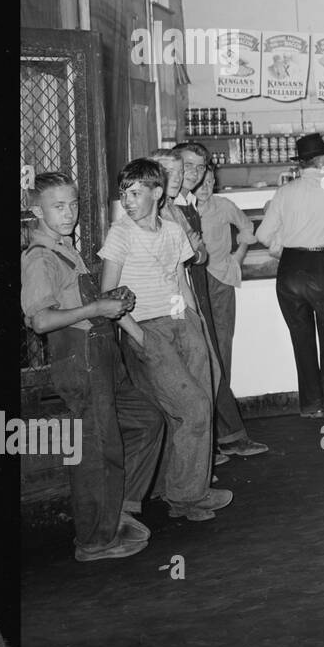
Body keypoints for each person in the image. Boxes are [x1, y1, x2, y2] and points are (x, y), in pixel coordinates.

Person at [20, 173, 160, 561]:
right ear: (36, 211)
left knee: (147, 420)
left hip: (101, 354)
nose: (70, 214)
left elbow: (78, 301)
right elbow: (41, 321)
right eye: (58, 207)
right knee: (95, 449)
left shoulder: (66, 247)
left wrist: (111, 298)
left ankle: (121, 510)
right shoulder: (39, 258)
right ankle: (95, 540)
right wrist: (98, 307)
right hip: (79, 357)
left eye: (73, 204)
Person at [99, 159, 231, 522]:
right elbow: (108, 296)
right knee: (193, 409)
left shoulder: (172, 230)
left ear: (157, 193)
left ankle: (189, 490)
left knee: (200, 402)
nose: (127, 200)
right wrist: (140, 335)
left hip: (181, 322)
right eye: (124, 193)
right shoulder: (120, 233)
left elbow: (180, 280)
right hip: (147, 328)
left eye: (136, 193)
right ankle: (187, 498)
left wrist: (195, 324)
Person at [256, 133, 324, 418]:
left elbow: (263, 234)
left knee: (301, 337)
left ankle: (311, 405)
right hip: (322, 265)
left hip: (290, 268)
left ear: (300, 162)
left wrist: (285, 241)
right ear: (323, 159)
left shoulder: (285, 191)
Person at [174, 142, 268, 458]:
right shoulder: (179, 206)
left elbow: (247, 228)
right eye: (194, 172)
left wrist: (236, 258)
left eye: (207, 174)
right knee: (203, 359)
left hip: (219, 281)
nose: (202, 180)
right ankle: (217, 437)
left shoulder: (217, 205)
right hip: (189, 290)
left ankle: (222, 436)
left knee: (218, 353)